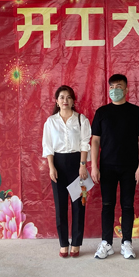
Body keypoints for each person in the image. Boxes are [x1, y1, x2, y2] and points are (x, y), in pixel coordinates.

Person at [90, 74, 139, 260]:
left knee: (127, 205)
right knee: (107, 205)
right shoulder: (102, 112)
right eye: (112, 87)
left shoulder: (136, 112)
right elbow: (95, 141)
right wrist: (94, 167)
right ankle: (106, 243)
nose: (115, 90)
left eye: (119, 87)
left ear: (126, 89)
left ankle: (127, 243)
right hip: (107, 167)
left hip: (130, 167)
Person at [42, 85, 91, 258]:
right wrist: (51, 167)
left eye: (69, 97)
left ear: (73, 101)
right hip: (58, 165)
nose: (65, 100)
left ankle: (76, 243)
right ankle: (63, 244)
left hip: (77, 165)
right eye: (62, 97)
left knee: (79, 205)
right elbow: (48, 146)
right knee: (60, 206)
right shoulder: (51, 122)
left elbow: (85, 143)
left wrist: (83, 165)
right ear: (57, 101)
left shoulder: (81, 120)